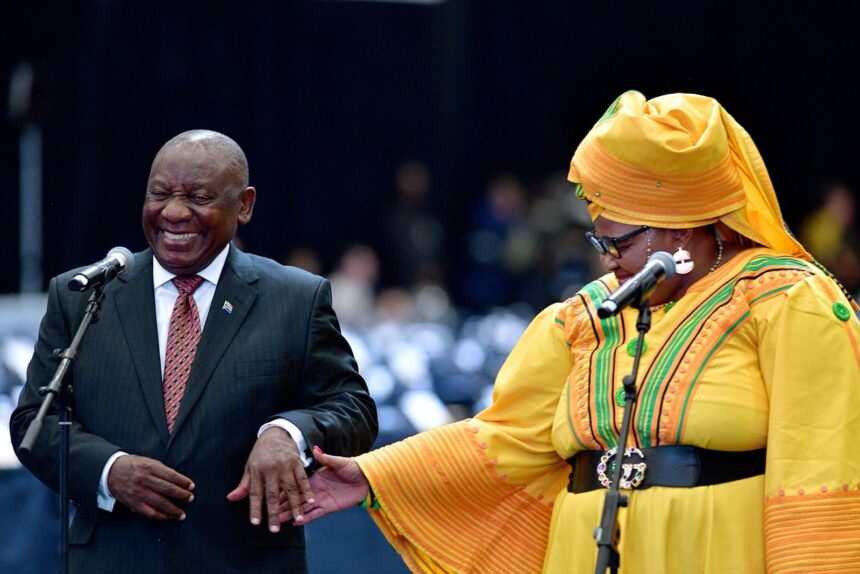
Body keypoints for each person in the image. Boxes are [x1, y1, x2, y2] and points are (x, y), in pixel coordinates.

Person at [294, 93, 860, 573]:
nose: (607, 259)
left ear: (685, 226)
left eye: (620, 243)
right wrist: (372, 474)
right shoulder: (584, 317)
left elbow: (822, 466)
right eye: (599, 242)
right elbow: (505, 439)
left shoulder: (789, 301)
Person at [10, 130, 377, 573]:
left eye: (199, 197)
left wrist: (289, 432)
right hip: (114, 558)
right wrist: (109, 470)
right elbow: (34, 421)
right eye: (160, 194)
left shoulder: (295, 298)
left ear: (244, 205)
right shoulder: (84, 296)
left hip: (242, 560)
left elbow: (352, 408)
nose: (174, 212)